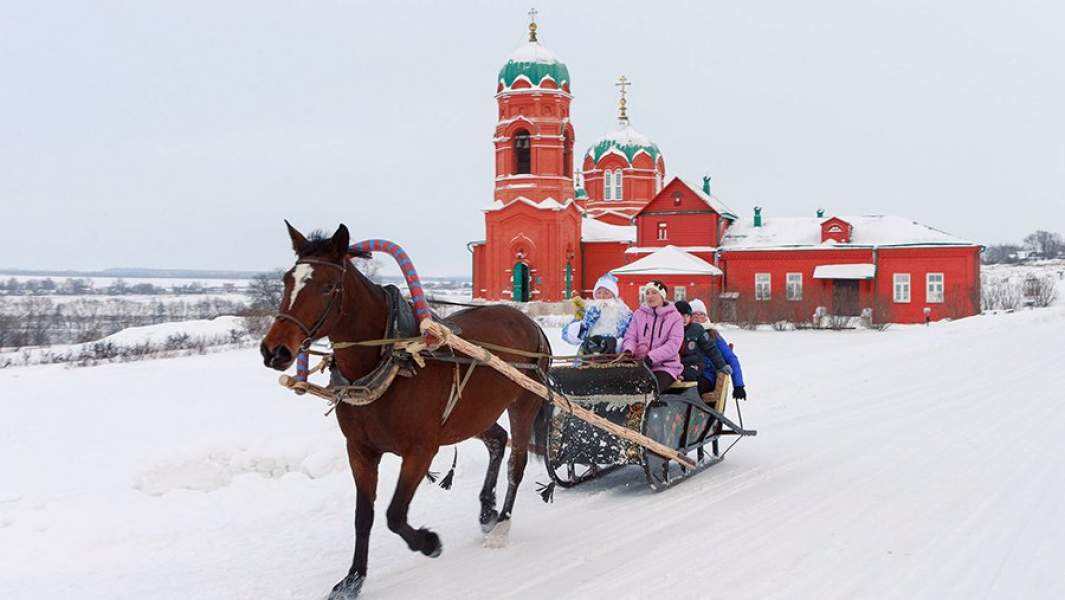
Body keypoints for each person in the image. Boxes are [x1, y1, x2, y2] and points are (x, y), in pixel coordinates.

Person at [621, 280, 683, 392]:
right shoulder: (639, 314)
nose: (650, 296)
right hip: (639, 364)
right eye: (647, 293)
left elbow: (673, 345)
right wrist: (628, 351)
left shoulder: (675, 317)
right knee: (624, 387)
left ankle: (651, 408)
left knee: (650, 389)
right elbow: (631, 336)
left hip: (665, 366)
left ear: (662, 296)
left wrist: (651, 357)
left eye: (654, 292)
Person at [689, 299, 747, 400]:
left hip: (707, 376)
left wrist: (738, 385)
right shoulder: (683, 333)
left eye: (701, 314)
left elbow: (731, 359)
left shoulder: (713, 336)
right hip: (687, 373)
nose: (698, 318)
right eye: (694, 315)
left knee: (693, 388)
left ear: (706, 317)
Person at [561, 273, 632, 355]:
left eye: (606, 293)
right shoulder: (587, 310)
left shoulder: (624, 313)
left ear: (613, 295)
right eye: (599, 292)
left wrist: (617, 344)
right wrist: (583, 325)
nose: (602, 296)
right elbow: (566, 335)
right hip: (588, 354)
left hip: (614, 355)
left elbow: (631, 336)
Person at [674, 300, 731, 395]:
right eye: (681, 315)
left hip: (693, 366)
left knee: (691, 377)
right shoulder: (669, 330)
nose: (684, 319)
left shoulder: (697, 330)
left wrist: (721, 365)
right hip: (675, 366)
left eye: (687, 316)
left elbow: (711, 349)